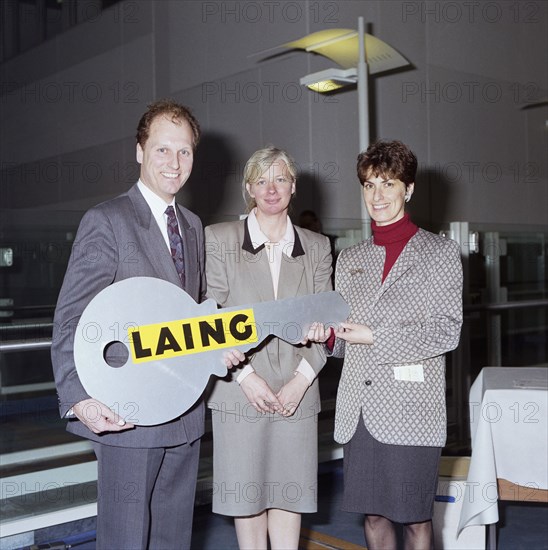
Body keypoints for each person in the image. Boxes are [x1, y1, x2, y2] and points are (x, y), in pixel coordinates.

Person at [51, 99, 241, 549]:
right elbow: (71, 319)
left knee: (173, 540)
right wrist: (78, 396)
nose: (174, 163)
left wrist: (216, 344)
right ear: (139, 151)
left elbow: (187, 315)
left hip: (184, 412)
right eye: (162, 150)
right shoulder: (107, 221)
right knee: (125, 540)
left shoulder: (192, 226)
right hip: (126, 415)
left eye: (185, 152)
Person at [308, 140, 463, 549]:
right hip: (360, 411)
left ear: (408, 189)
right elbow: (345, 341)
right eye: (369, 185)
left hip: (412, 411)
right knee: (374, 516)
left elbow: (447, 331)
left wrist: (376, 336)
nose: (377, 195)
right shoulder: (351, 258)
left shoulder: (440, 253)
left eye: (388, 184)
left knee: (414, 520)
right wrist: (327, 337)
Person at [204, 146, 333, 550]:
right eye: (261, 180)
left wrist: (302, 380)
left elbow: (328, 324)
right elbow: (210, 320)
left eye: (280, 179)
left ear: (294, 186)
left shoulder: (317, 246)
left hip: (297, 390)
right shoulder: (220, 239)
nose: (271, 188)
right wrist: (245, 376)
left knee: (287, 499)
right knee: (248, 503)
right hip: (240, 391)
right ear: (249, 188)